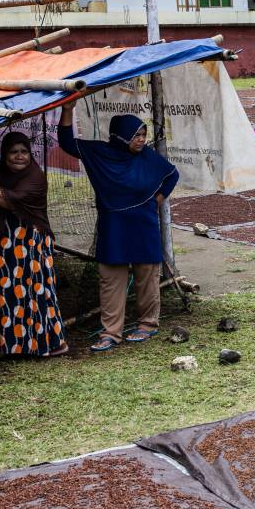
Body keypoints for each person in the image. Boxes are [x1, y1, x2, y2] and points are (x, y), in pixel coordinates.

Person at [58, 104, 179, 352]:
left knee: (147, 276)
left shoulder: (147, 157)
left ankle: (147, 324)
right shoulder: (100, 153)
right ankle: (111, 332)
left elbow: (172, 175)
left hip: (143, 225)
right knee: (111, 279)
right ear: (120, 136)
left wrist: (155, 200)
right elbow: (67, 143)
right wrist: (67, 109)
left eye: (143, 134)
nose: (141, 140)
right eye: (136, 135)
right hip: (114, 226)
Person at [0, 133, 68, 357]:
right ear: (5, 154)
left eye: (24, 152)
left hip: (30, 243)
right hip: (2, 244)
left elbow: (9, 200)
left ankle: (49, 343)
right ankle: (7, 346)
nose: (19, 157)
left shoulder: (35, 177)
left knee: (35, 293)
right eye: (14, 152)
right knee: (2, 293)